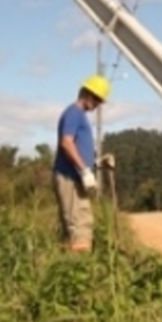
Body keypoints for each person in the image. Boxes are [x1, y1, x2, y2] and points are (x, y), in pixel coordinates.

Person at [52, 74, 109, 252]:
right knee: (79, 224)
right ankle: (79, 269)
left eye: (100, 100)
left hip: (75, 176)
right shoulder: (74, 113)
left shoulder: (79, 115)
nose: (98, 103)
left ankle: (69, 264)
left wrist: (97, 163)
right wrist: (84, 170)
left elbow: (77, 148)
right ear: (85, 92)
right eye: (96, 98)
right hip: (69, 176)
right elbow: (67, 143)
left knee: (77, 222)